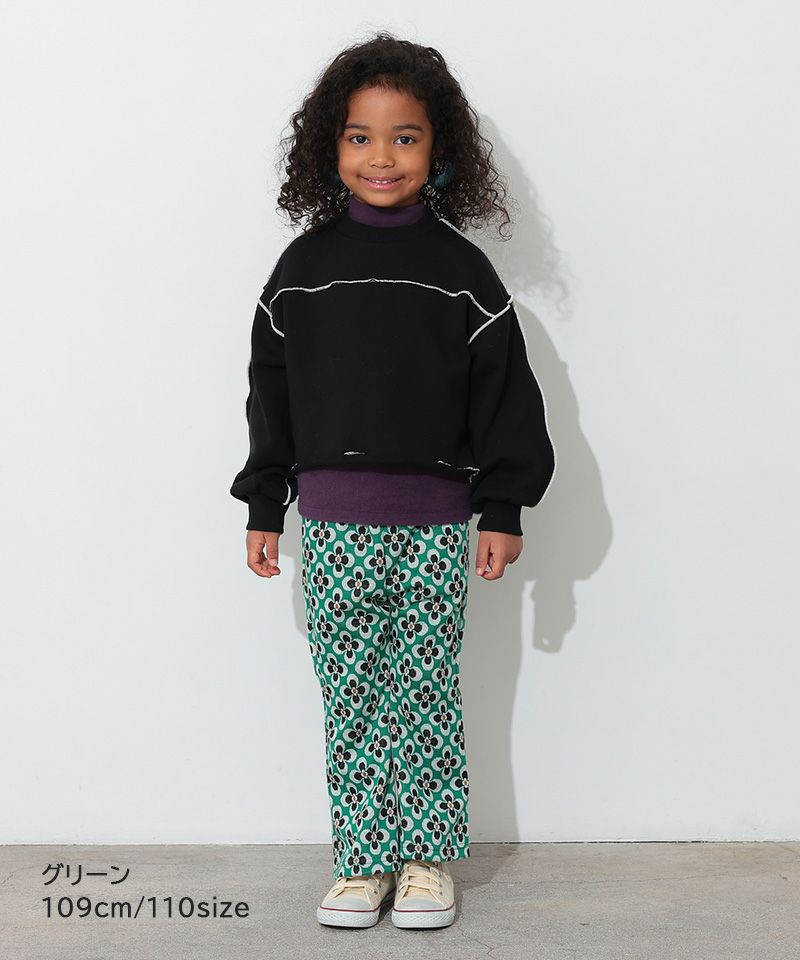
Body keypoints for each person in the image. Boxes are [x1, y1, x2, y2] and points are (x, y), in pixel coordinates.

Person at [230, 32, 556, 930]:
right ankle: (363, 860)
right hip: (333, 526)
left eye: (405, 137)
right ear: (329, 148)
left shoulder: (463, 273)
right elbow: (269, 395)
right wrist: (264, 502)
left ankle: (424, 861)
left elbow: (505, 395)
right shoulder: (301, 272)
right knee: (353, 693)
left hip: (435, 528)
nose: (382, 156)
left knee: (423, 690)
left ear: (438, 149)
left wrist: (503, 505)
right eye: (360, 136)